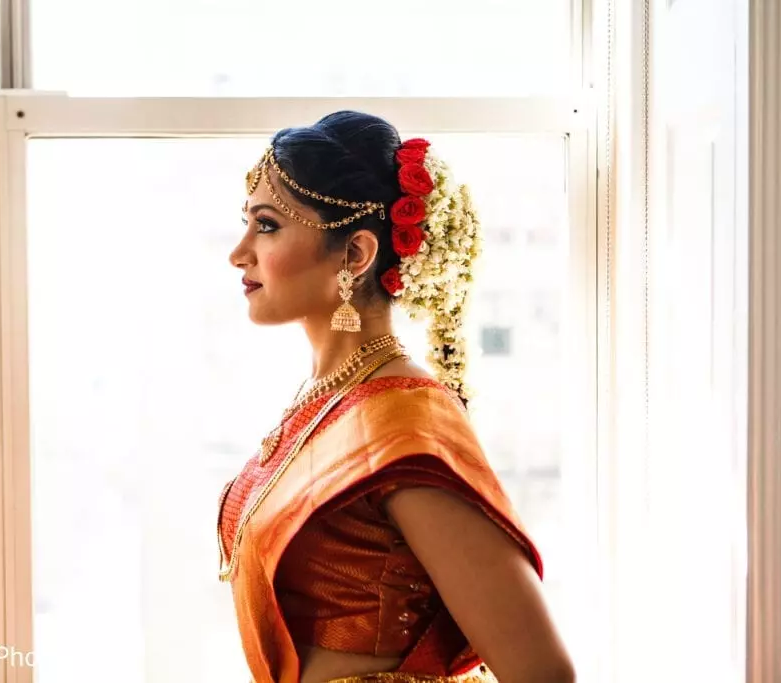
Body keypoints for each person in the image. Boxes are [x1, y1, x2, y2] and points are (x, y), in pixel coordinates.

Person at [221, 111, 574, 683]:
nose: (239, 252)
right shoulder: (327, 399)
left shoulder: (405, 420)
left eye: (266, 225)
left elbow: (542, 671)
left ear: (356, 255)